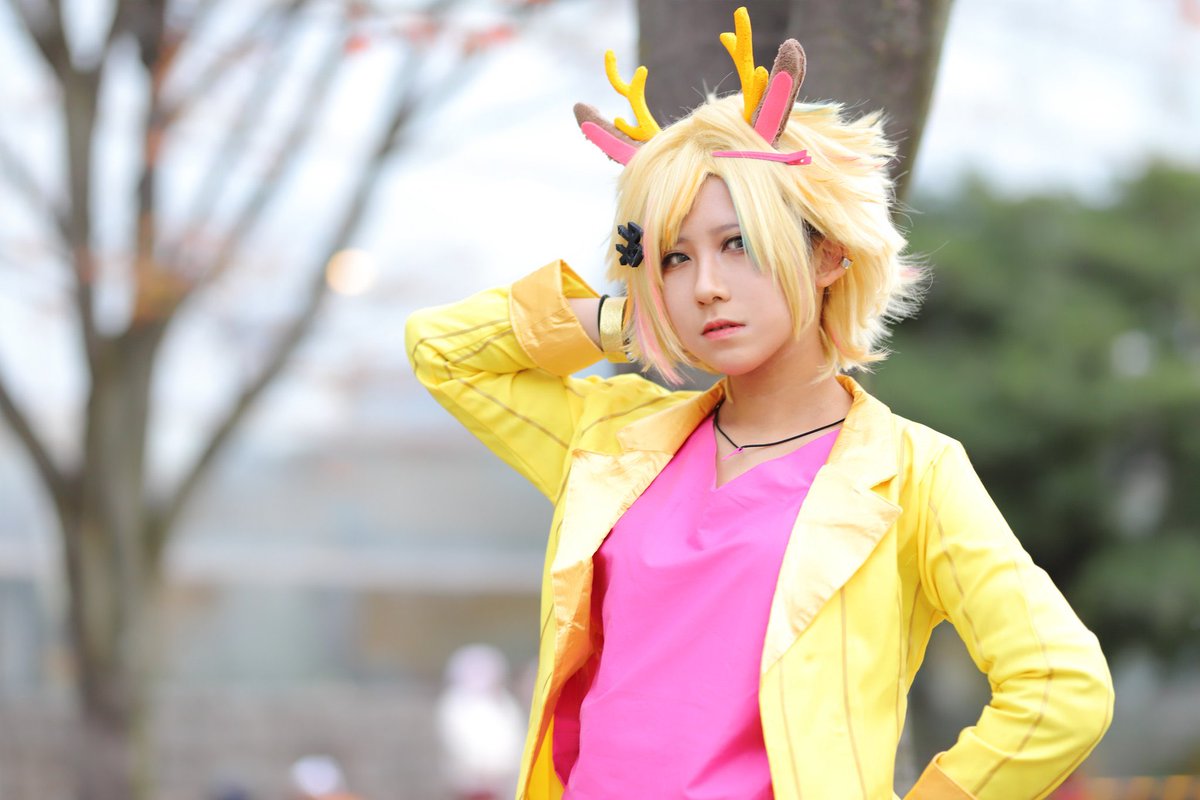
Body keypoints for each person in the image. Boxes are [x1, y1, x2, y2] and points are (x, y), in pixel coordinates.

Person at [406, 8, 1113, 799]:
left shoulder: (915, 474)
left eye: (737, 242)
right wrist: (628, 318)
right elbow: (442, 352)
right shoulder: (612, 440)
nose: (706, 285)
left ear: (827, 252)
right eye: (674, 257)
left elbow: (1062, 689)